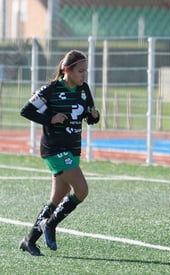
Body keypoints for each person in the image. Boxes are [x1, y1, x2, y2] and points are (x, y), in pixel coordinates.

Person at [19, 50, 100, 256]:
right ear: (67, 70)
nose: (84, 75)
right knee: (81, 190)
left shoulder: (84, 90)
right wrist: (50, 118)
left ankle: (29, 240)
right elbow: (26, 110)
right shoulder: (51, 90)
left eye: (85, 71)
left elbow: (89, 118)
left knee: (57, 198)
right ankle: (51, 224)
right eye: (80, 71)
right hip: (54, 149)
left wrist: (94, 115)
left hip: (73, 149)